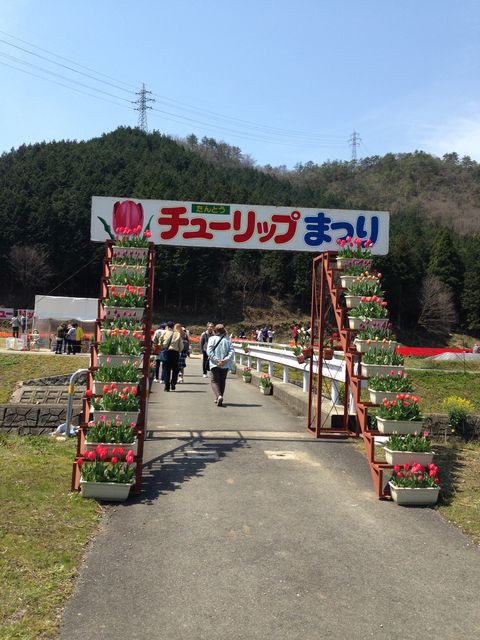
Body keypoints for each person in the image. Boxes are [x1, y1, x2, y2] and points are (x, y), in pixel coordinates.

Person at [206, 323, 234, 407]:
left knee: (214, 380)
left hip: (214, 364)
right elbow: (231, 351)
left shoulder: (211, 339)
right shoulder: (228, 340)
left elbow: (209, 351)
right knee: (222, 380)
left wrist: (216, 359)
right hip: (224, 364)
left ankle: (219, 396)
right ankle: (220, 396)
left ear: (215, 331)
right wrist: (225, 360)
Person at [157, 321, 183, 391]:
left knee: (166, 370)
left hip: (166, 353)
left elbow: (160, 343)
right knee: (175, 369)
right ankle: (173, 383)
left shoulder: (164, 333)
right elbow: (181, 346)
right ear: (173, 326)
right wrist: (178, 351)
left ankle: (167, 386)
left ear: (167, 327)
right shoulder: (177, 334)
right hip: (175, 353)